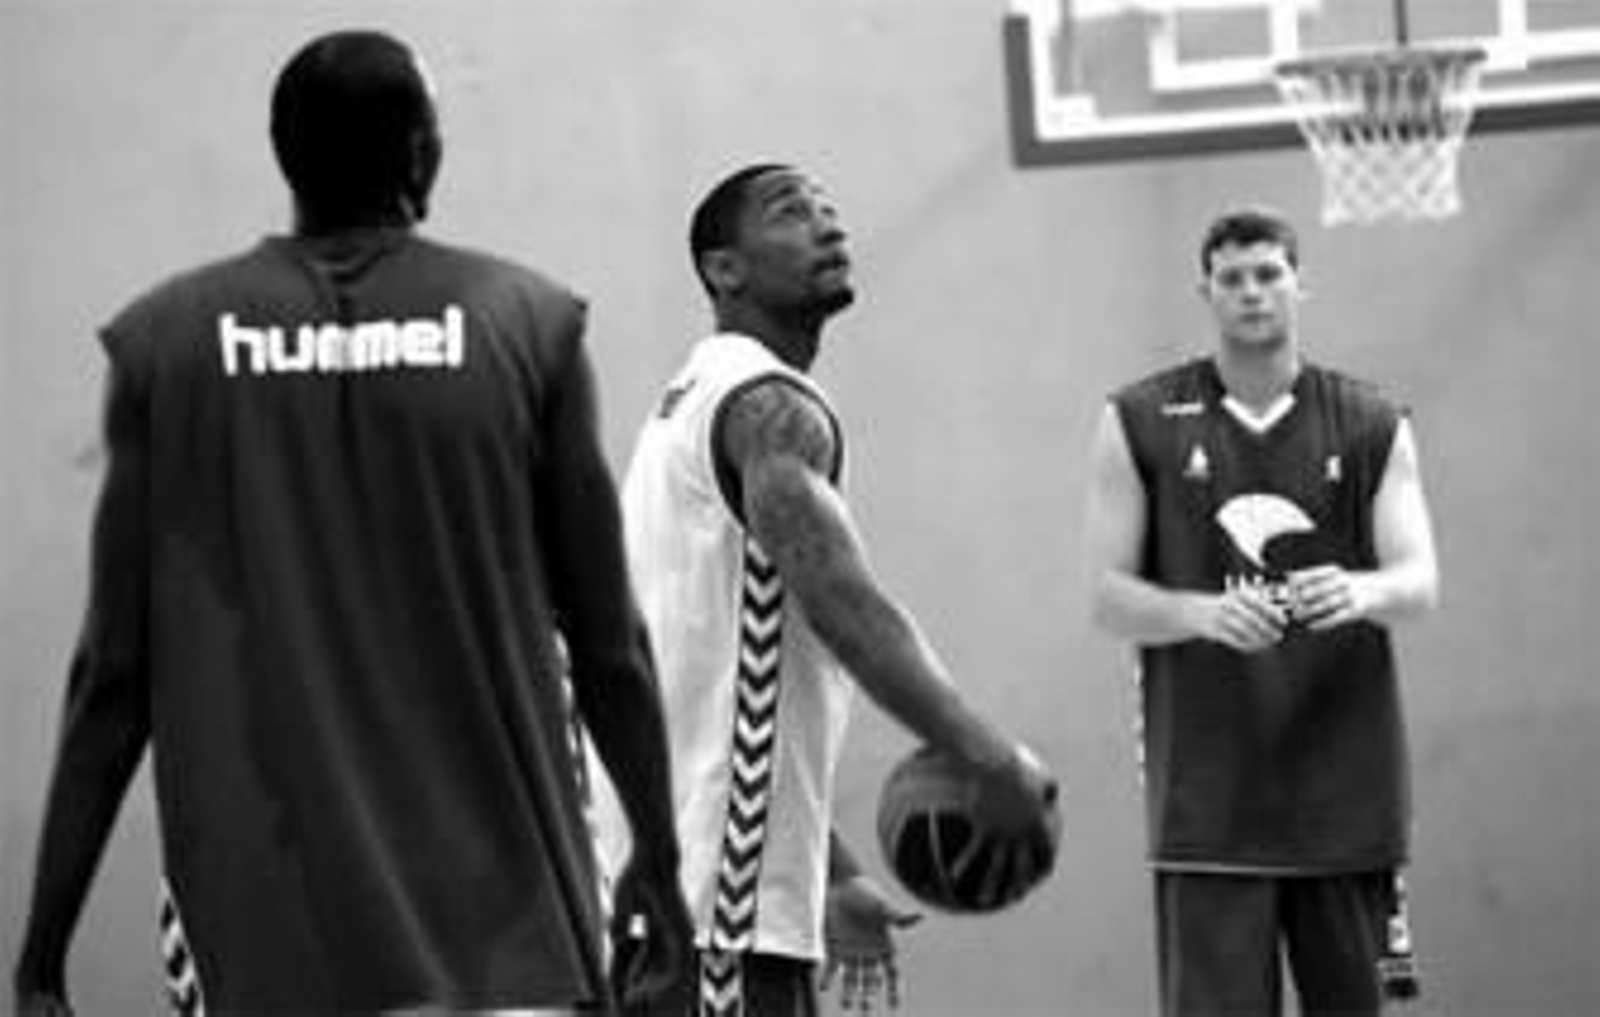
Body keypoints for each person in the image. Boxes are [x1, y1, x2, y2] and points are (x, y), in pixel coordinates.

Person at [11, 30, 691, 1016]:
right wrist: (659, 869)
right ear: (422, 152)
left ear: (283, 152)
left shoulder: (165, 343)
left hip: (269, 955)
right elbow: (609, 645)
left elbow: (112, 678)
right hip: (510, 948)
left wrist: (40, 956)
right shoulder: (525, 323)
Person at [603, 163, 1062, 1016]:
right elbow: (843, 602)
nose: (827, 225)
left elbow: (705, 695)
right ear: (723, 269)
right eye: (790, 211)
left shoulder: (690, 405)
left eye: (831, 210)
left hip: (668, 894)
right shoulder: (768, 407)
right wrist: (982, 751)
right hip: (715, 914)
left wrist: (832, 868)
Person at [1082, 207, 1441, 1016]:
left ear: (1299, 282)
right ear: (1204, 290)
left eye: (1268, 273)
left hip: (1346, 799)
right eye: (1233, 278)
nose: (1251, 292)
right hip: (1209, 804)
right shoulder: (1138, 418)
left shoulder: (1371, 419)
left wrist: (1358, 589)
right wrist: (1204, 614)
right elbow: (1107, 597)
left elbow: (1418, 581)